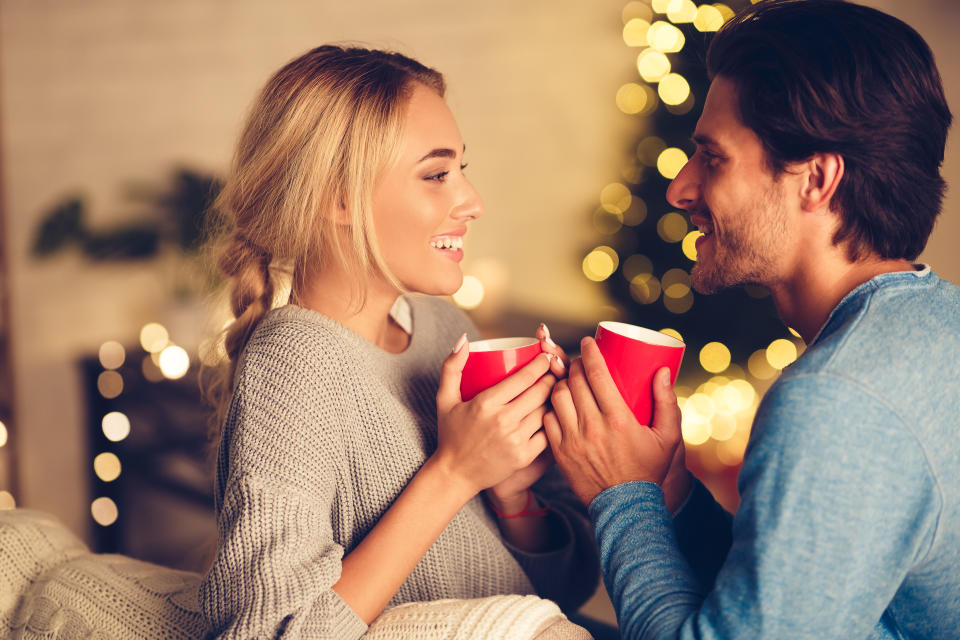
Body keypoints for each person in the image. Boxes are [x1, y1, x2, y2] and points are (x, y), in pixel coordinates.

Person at [543, 1, 960, 638]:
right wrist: (670, 491)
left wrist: (620, 494)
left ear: (816, 179)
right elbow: (789, 598)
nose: (680, 189)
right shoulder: (937, 320)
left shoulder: (836, 400)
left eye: (712, 157)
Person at [199, 45, 598, 639]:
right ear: (335, 197)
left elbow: (561, 592)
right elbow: (269, 632)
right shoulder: (291, 366)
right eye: (437, 175)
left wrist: (514, 496)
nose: (472, 202)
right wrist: (456, 472)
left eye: (462, 169)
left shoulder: (442, 327)